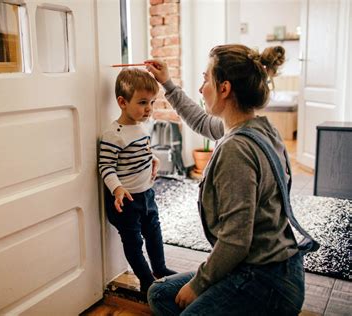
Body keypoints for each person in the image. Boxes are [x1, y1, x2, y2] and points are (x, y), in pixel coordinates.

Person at [144, 44, 306, 315]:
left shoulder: (236, 150)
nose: (200, 87)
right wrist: (168, 84)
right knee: (160, 293)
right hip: (268, 266)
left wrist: (199, 284)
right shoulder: (257, 126)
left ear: (224, 88)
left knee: (185, 307)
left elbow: (235, 241)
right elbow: (200, 121)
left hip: (268, 280)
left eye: (206, 78)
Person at [99, 68, 177, 293]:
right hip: (127, 200)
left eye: (152, 102)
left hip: (147, 193)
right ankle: (146, 280)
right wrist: (117, 188)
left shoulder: (140, 127)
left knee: (154, 232)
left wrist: (152, 158)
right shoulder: (115, 134)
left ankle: (159, 269)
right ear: (122, 102)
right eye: (143, 102)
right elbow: (106, 166)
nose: (149, 109)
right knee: (133, 242)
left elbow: (140, 150)